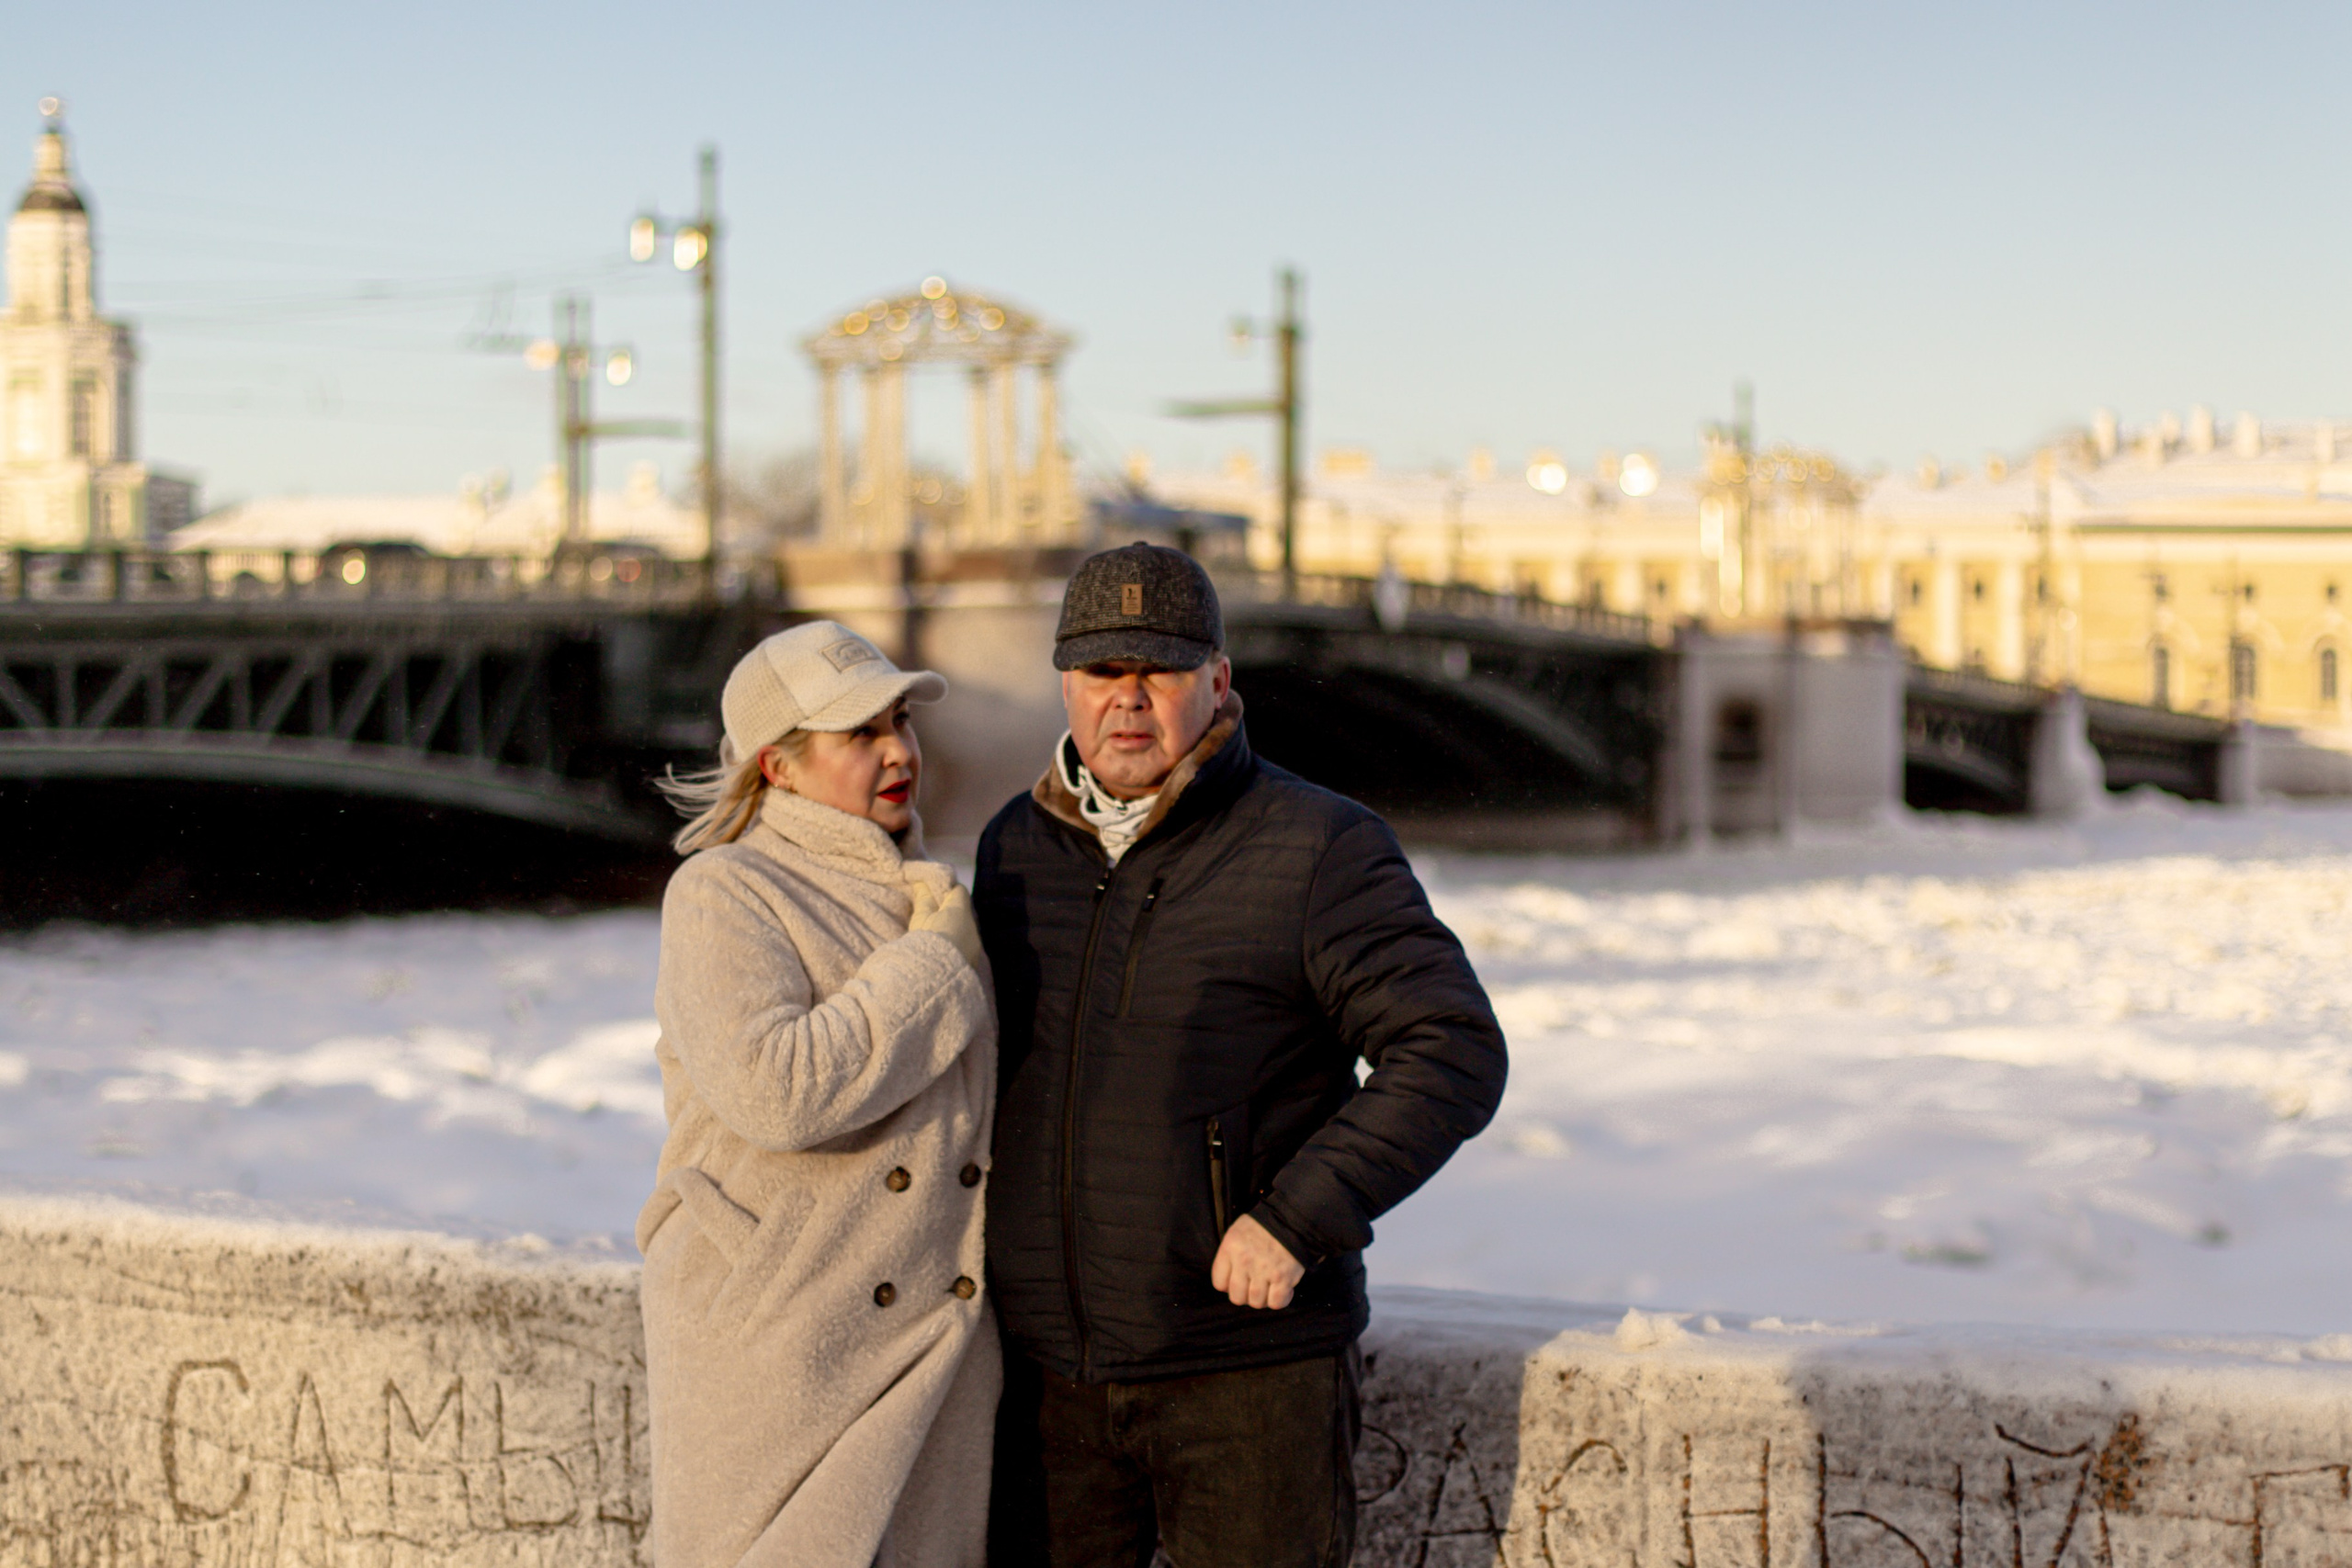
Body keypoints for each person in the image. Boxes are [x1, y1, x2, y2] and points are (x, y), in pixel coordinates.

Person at [975, 544, 1509, 1567]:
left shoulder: (1319, 846)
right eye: (1101, 674)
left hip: (1245, 1379)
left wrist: (1297, 1217)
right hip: (1047, 1384)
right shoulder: (1014, 846)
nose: (1127, 703)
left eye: (1159, 672)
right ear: (1065, 686)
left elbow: (1450, 1048)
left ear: (1217, 680)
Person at [637, 619, 999, 1568]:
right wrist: (929, 966)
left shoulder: (931, 898)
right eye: (860, 734)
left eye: (901, 724)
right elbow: (778, 1091)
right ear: (780, 767)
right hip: (788, 1350)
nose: (898, 752)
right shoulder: (723, 892)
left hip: (932, 1352)